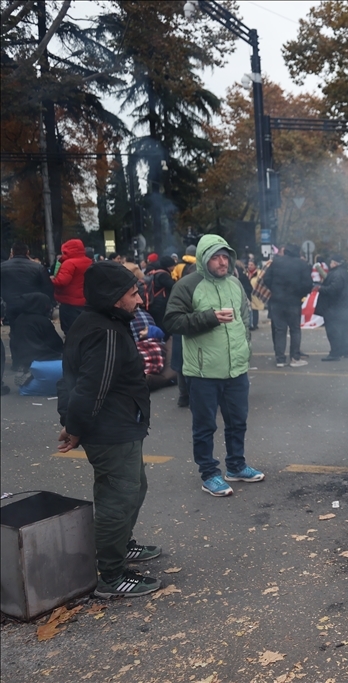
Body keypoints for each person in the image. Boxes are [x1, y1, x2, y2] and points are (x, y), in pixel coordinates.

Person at [57, 261, 162, 597]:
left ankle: (121, 544)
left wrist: (70, 421)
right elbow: (92, 387)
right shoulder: (106, 332)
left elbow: (71, 380)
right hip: (111, 431)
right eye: (133, 294)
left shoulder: (97, 322)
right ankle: (111, 576)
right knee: (117, 498)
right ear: (115, 299)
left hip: (118, 427)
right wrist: (74, 426)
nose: (139, 301)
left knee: (134, 488)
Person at [164, 235, 264, 497]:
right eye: (216, 257)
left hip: (236, 369)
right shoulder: (187, 285)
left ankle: (236, 466)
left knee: (237, 421)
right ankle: (209, 473)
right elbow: (172, 322)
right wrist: (209, 318)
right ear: (204, 259)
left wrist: (246, 349)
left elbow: (243, 318)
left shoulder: (234, 283)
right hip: (203, 371)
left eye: (225, 256)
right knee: (205, 425)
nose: (222, 262)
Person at [262, 243, 313, 368]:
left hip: (276, 300)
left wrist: (275, 290)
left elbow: (266, 279)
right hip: (293, 301)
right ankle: (295, 358)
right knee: (295, 329)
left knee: (280, 330)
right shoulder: (302, 264)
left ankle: (280, 359)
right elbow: (308, 284)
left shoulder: (276, 262)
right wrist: (299, 294)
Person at [9, 292, 63, 379]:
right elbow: (56, 343)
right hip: (41, 356)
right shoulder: (42, 321)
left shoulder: (19, 319)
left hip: (23, 357)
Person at [316, 254, 348, 361]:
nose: (330, 264)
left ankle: (335, 353)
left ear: (335, 263)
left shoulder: (337, 274)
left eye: (331, 261)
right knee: (343, 330)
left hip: (333, 307)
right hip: (343, 307)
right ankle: (344, 351)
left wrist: (320, 288)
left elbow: (333, 290)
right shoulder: (344, 273)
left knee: (333, 331)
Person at [1, 243, 53, 323]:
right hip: (33, 304)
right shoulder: (38, 267)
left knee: (14, 326)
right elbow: (47, 287)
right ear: (27, 252)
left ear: (12, 253)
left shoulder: (2, 267)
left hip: (10, 304)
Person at [51, 238, 93, 334]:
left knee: (70, 330)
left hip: (69, 302)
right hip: (85, 300)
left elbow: (62, 282)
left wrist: (52, 280)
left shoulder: (69, 263)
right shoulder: (88, 261)